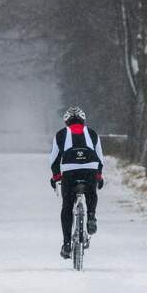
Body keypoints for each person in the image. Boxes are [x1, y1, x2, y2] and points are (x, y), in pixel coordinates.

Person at [49, 106, 105, 259]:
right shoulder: (92, 133)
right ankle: (91, 216)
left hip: (70, 170)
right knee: (91, 192)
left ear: (66, 121)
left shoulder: (60, 134)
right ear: (83, 120)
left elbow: (53, 160)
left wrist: (56, 178)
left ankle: (67, 243)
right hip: (90, 168)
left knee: (67, 205)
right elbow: (100, 158)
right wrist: (98, 177)